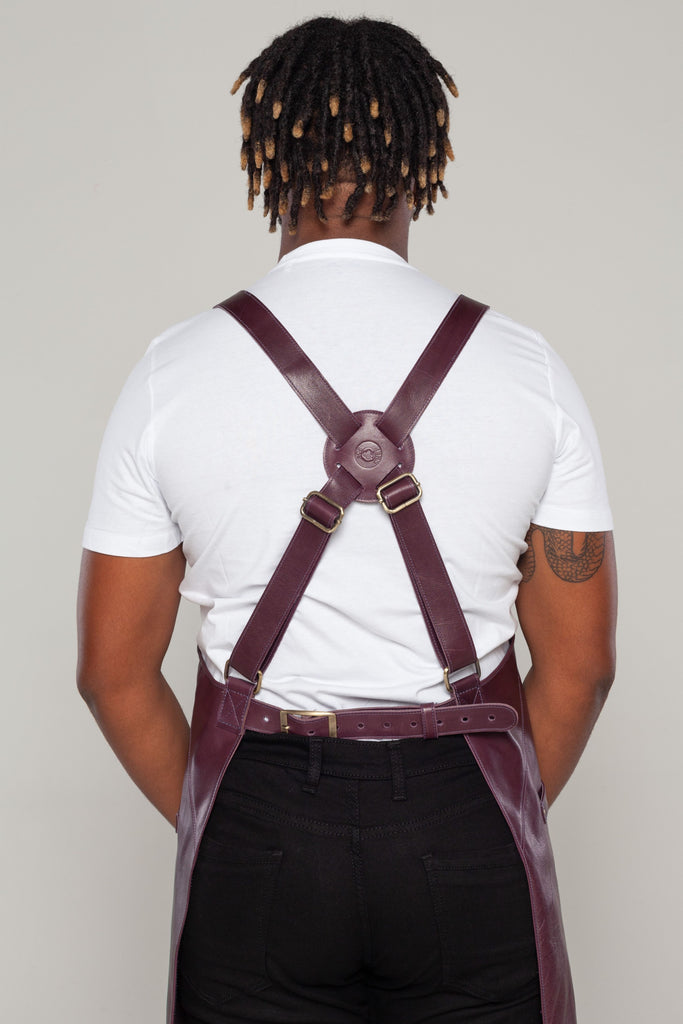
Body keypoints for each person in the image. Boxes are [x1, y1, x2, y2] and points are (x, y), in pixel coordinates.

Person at [77, 16, 617, 1024]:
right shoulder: (527, 368)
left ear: (266, 157)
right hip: (465, 810)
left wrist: (220, 813)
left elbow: (111, 671)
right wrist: (491, 813)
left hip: (258, 812)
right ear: (421, 161)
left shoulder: (171, 371)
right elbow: (580, 667)